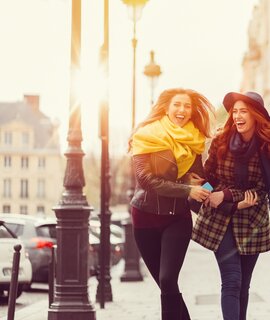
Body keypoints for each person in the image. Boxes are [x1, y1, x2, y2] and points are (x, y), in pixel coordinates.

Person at [128, 87, 215, 320]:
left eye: (187, 106)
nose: (182, 110)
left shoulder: (194, 140)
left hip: (177, 218)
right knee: (167, 286)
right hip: (145, 216)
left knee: (168, 279)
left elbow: (201, 180)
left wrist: (211, 193)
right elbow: (145, 180)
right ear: (166, 108)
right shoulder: (145, 135)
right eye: (177, 104)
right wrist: (188, 188)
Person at [192, 91, 270, 320]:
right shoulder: (221, 139)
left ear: (255, 115)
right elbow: (208, 178)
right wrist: (205, 195)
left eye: (243, 111)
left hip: (252, 220)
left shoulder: (266, 146)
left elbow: (262, 190)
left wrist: (224, 195)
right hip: (220, 219)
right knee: (232, 279)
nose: (237, 115)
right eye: (234, 111)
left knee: (244, 285)